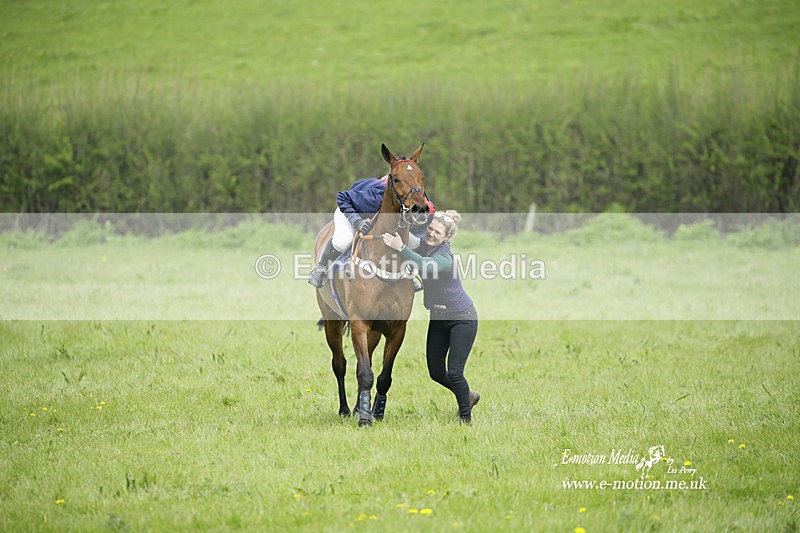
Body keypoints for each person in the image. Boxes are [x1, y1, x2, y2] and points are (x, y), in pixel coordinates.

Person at [382, 210, 480, 424]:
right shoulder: (424, 246)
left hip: (462, 319)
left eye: (437, 232)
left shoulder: (444, 257)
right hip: (438, 318)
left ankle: (466, 419)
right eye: (431, 229)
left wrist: (400, 247)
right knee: (435, 372)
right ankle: (469, 395)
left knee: (455, 372)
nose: (432, 234)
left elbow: (426, 266)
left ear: (446, 237)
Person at [308, 176, 432, 288]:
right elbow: (342, 198)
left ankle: (407, 274)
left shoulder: (417, 198)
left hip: (376, 214)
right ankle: (321, 268)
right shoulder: (376, 196)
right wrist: (357, 221)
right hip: (350, 208)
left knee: (415, 243)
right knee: (342, 241)